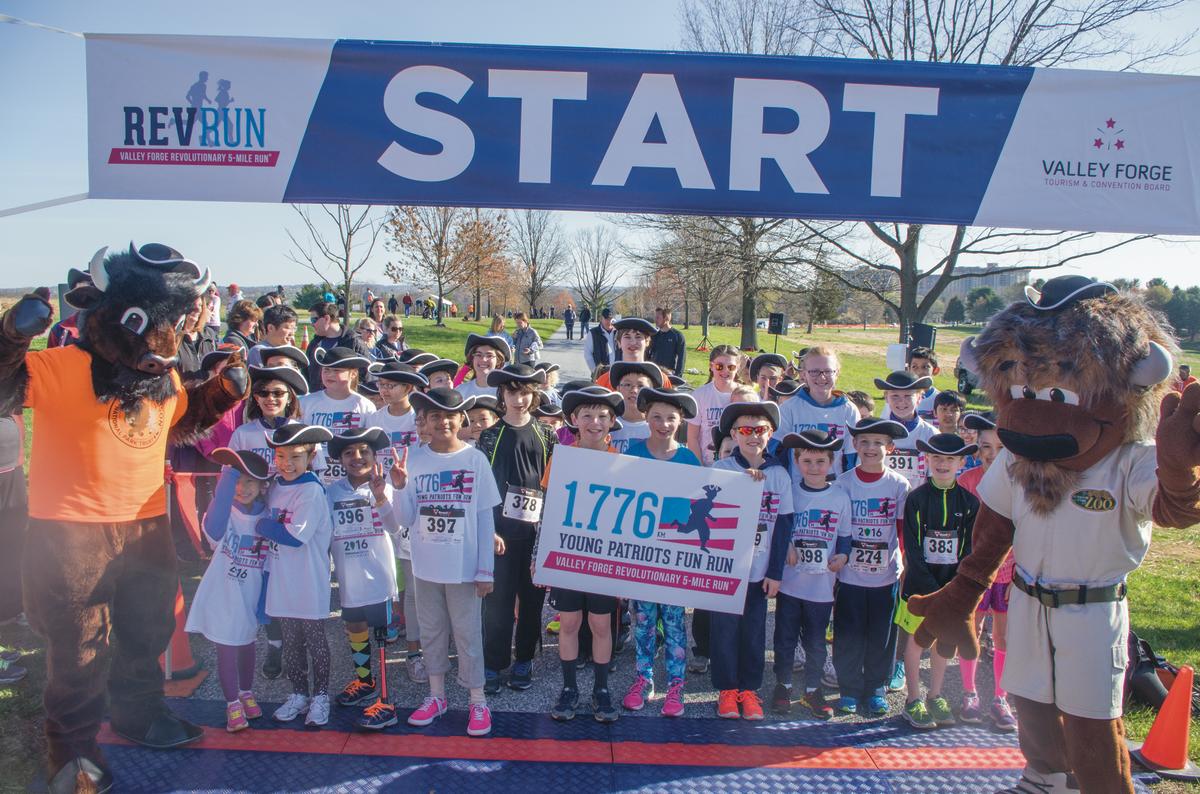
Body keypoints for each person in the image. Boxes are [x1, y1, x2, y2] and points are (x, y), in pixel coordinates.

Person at [391, 387, 502, 737]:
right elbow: (405, 519)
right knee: (433, 633)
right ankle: (436, 696)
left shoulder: (475, 460)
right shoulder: (414, 459)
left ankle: (477, 699)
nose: (442, 422)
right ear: (425, 421)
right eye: (435, 416)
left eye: (449, 416)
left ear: (461, 420)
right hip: (425, 567)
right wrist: (397, 487)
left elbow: (485, 519)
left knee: (468, 635)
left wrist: (486, 569)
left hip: (465, 569)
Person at [710, 401, 793, 720]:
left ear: (770, 434)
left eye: (760, 430)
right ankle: (727, 690)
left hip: (760, 573)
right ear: (733, 434)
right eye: (745, 430)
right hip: (725, 572)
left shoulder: (779, 475)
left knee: (755, 632)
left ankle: (750, 689)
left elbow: (784, 526)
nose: (753, 436)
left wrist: (775, 572)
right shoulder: (721, 471)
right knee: (725, 632)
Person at [547, 387, 625, 723]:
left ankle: (602, 688)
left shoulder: (622, 463)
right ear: (574, 420)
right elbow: (547, 510)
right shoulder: (561, 457)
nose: (595, 422)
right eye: (588, 415)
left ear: (612, 422)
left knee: (601, 623)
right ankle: (569, 688)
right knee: (569, 621)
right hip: (567, 553)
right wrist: (542, 558)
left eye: (603, 416)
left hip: (605, 558)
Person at [476, 364, 555, 693]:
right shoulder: (491, 435)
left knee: (532, 601)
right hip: (500, 535)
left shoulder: (545, 434)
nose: (518, 399)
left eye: (525, 393)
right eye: (512, 392)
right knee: (498, 603)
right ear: (502, 395)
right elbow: (481, 487)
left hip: (535, 535)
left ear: (533, 395)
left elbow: (553, 485)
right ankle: (494, 663)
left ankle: (524, 659)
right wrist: (488, 530)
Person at [622, 389, 700, 716]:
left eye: (671, 418)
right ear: (645, 417)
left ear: (680, 421)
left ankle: (676, 685)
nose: (663, 423)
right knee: (642, 621)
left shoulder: (689, 459)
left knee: (674, 622)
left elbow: (698, 510)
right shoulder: (633, 454)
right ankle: (644, 678)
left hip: (673, 557)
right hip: (641, 555)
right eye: (656, 416)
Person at [896, 434, 979, 730]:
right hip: (920, 588)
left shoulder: (969, 503)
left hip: (951, 587)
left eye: (949, 459)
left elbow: (969, 548)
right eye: (936, 458)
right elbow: (913, 548)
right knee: (916, 641)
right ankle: (913, 698)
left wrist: (955, 588)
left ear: (961, 462)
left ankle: (936, 694)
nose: (942, 464)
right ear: (927, 460)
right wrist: (931, 588)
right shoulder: (916, 499)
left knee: (945, 642)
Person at [185, 449, 271, 732]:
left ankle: (246, 693)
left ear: (262, 486)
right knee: (226, 648)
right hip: (224, 593)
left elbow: (270, 560)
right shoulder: (224, 511)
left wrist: (263, 603)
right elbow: (214, 529)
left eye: (249, 482)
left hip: (250, 592)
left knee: (247, 644)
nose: (242, 488)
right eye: (237, 480)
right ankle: (232, 703)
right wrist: (227, 474)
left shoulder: (266, 516)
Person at [258, 423, 336, 727]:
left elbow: (293, 536)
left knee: (314, 639)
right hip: (280, 577)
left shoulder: (312, 490)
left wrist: (261, 526)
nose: (287, 463)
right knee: (289, 641)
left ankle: (320, 697)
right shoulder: (276, 484)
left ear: (312, 455)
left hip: (308, 578)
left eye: (296, 456)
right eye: (280, 456)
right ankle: (299, 694)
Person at [832, 417, 911, 717]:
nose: (870, 448)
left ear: (889, 448)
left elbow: (903, 531)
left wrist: (906, 566)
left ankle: (875, 687)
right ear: (854, 445)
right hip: (850, 577)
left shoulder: (898, 485)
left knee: (882, 635)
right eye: (864, 442)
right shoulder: (843, 483)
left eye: (878, 443)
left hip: (885, 576)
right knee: (848, 634)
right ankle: (849, 689)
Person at [325, 429, 403, 729]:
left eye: (364, 452)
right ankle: (364, 680)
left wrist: (381, 496)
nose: (357, 458)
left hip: (379, 574)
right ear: (341, 459)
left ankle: (385, 699)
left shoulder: (384, 486)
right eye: (349, 453)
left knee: (381, 634)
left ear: (374, 456)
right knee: (354, 625)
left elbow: (395, 527)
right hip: (348, 574)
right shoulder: (331, 492)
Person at [771, 430, 851, 719]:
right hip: (791, 584)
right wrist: (788, 544)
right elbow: (780, 527)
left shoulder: (840, 497)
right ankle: (784, 684)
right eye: (807, 461)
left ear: (831, 462)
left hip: (821, 587)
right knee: (784, 638)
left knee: (816, 641)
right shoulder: (790, 492)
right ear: (796, 460)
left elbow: (845, 536)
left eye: (820, 461)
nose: (813, 467)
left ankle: (813, 690)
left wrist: (842, 555)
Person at [364, 361, 430, 683]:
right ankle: (390, 617)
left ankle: (416, 643)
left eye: (392, 384)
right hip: (380, 496)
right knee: (385, 561)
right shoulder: (373, 419)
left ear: (408, 388)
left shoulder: (418, 416)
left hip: (411, 496)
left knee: (411, 571)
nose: (385, 389)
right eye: (381, 384)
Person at [955, 412, 1017, 731]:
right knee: (972, 631)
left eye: (1000, 447)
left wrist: (1018, 574)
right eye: (985, 447)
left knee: (1003, 636)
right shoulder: (967, 482)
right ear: (976, 450)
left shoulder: (1021, 484)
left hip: (1007, 574)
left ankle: (1000, 697)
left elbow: (1027, 533)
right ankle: (969, 692)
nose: (992, 454)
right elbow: (961, 531)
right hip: (975, 574)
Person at [775, 347, 862, 476]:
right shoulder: (789, 408)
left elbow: (852, 458)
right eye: (814, 371)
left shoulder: (848, 410)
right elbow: (776, 452)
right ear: (803, 374)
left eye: (828, 371)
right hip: (797, 488)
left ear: (837, 373)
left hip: (835, 488)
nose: (822, 377)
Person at [300, 347, 377, 486]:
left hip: (351, 477)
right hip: (313, 478)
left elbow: (370, 446)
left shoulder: (365, 406)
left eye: (336, 371)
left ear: (353, 374)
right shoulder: (306, 403)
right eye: (326, 370)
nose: (329, 374)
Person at [874, 370, 938, 489]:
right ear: (886, 398)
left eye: (908, 396)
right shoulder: (875, 433)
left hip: (918, 501)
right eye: (895, 396)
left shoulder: (931, 435)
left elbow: (935, 479)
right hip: (884, 500)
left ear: (919, 398)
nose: (901, 402)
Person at [686, 345, 740, 466]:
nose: (725, 371)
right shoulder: (700, 395)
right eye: (719, 366)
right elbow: (692, 437)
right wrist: (699, 466)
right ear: (711, 366)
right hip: (707, 463)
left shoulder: (746, 395)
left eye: (731, 367)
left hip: (738, 465)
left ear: (738, 367)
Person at [305, 301, 371, 391]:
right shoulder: (314, 344)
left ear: (327, 319)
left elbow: (365, 376)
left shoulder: (353, 342)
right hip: (317, 401)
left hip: (346, 401)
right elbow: (307, 374)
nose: (312, 324)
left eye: (314, 320)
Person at [607, 361, 659, 453]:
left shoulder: (658, 429)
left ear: (651, 391)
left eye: (641, 386)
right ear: (618, 388)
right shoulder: (607, 426)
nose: (634, 390)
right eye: (627, 385)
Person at [458, 334, 509, 400]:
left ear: (498, 360)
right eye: (478, 355)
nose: (483, 359)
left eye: (489, 355)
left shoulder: (505, 392)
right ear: (472, 358)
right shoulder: (461, 391)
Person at [648, 307, 686, 375]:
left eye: (658, 318)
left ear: (666, 318)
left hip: (669, 374)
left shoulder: (677, 336)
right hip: (654, 374)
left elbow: (681, 359)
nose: (655, 320)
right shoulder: (654, 336)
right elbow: (647, 355)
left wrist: (678, 377)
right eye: (655, 317)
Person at [583, 309, 616, 373]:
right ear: (601, 319)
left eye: (610, 319)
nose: (609, 322)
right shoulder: (593, 333)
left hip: (617, 373)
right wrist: (595, 371)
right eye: (606, 319)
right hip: (601, 373)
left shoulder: (618, 332)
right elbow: (587, 354)